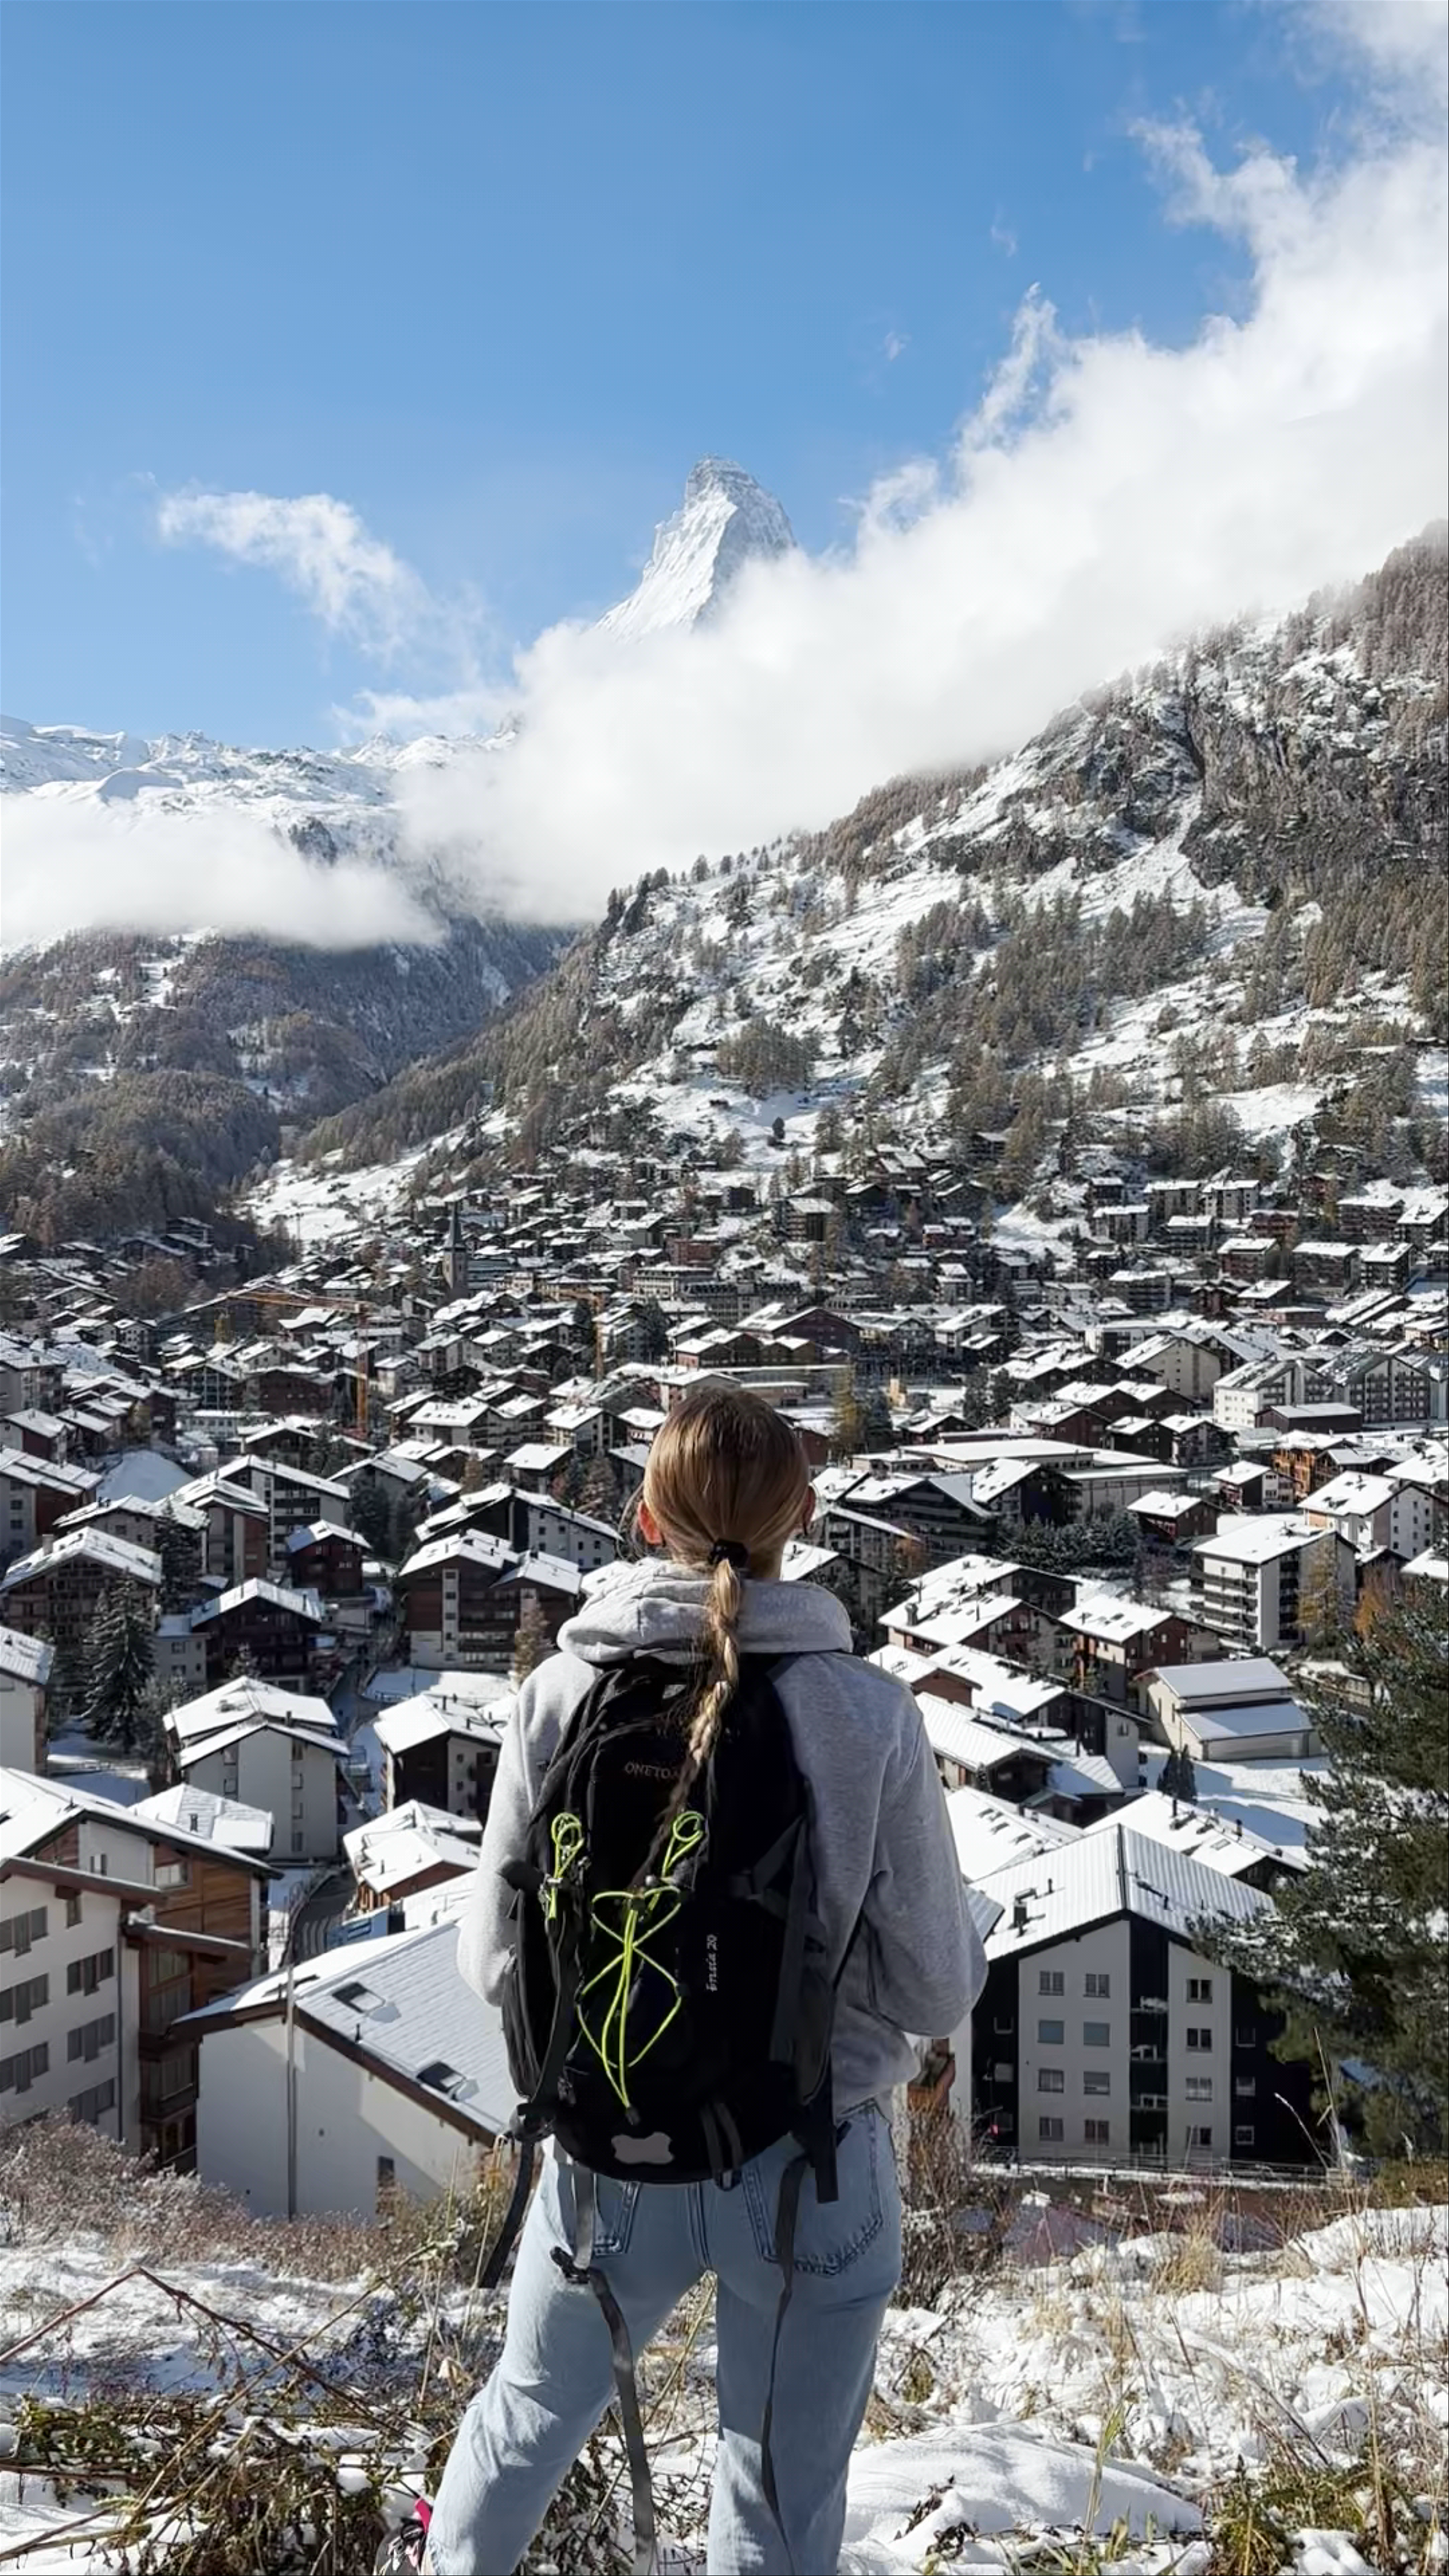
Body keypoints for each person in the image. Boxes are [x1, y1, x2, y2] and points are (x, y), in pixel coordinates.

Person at [398, 1382, 983, 2576]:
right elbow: (933, 1989)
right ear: (802, 1518)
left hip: (608, 2154)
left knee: (521, 2427)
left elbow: (492, 1959)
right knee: (772, 2500)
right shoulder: (868, 1715)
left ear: (644, 1520)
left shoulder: (562, 1694)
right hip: (810, 2160)